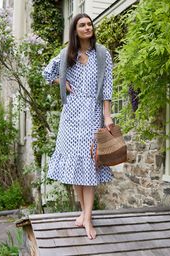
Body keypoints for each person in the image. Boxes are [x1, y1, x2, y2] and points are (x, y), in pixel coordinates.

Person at [42, 13, 114, 240]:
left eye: (89, 24)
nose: (87, 27)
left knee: (90, 165)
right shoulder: (67, 54)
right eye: (82, 25)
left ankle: (88, 218)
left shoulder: (102, 54)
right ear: (75, 30)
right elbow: (46, 74)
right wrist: (62, 82)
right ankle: (83, 214)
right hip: (71, 116)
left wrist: (108, 116)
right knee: (75, 166)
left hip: (93, 114)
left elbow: (108, 87)